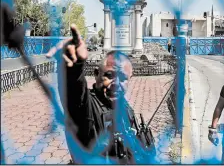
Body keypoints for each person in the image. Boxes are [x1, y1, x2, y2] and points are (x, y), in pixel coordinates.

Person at [46, 24, 154, 164]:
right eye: (109, 75)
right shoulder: (88, 109)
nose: (116, 84)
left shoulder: (123, 105)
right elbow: (75, 95)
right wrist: (73, 69)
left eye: (122, 78)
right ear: (96, 74)